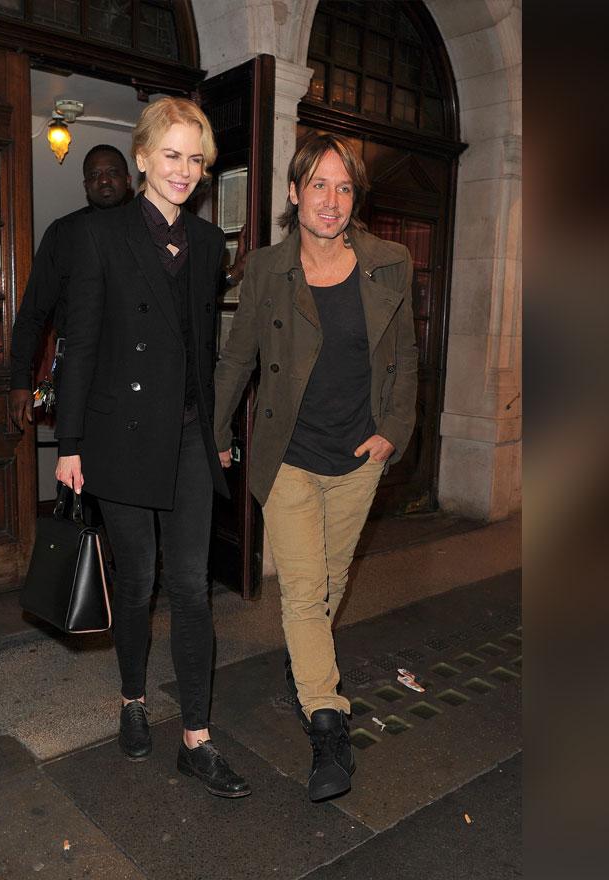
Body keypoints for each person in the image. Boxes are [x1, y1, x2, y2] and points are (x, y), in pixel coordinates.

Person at [212, 132, 418, 802]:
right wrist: (214, 431)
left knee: (327, 586)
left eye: (344, 187)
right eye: (319, 185)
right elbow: (238, 357)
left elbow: (406, 358)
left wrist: (393, 431)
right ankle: (329, 731)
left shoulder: (390, 263)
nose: (331, 201)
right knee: (303, 595)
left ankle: (307, 669)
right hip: (292, 458)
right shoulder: (268, 269)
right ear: (295, 192)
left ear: (354, 199)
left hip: (358, 456)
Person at [54, 97, 250, 798]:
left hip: (190, 437)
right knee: (137, 585)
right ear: (141, 158)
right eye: (171, 155)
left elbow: (207, 348)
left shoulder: (207, 245)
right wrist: (69, 442)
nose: (184, 171)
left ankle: (196, 737)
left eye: (196, 159)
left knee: (193, 588)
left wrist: (219, 435)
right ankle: (133, 700)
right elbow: (79, 345)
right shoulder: (101, 237)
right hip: (121, 437)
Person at [6, 145, 133, 430]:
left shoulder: (147, 232)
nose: (104, 180)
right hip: (80, 376)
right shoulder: (64, 233)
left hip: (134, 375)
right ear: (86, 184)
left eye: (112, 172)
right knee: (76, 467)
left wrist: (229, 278)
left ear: (128, 180)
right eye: (95, 175)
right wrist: (19, 381)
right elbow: (33, 312)